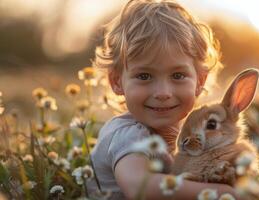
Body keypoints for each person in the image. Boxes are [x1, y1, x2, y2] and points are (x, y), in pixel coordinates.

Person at [89, 0, 239, 199]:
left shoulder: (187, 134)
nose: (162, 92)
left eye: (177, 76)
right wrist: (223, 193)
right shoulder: (127, 134)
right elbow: (139, 187)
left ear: (199, 81)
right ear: (117, 82)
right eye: (144, 76)